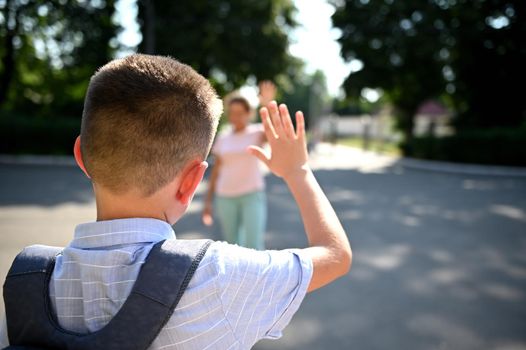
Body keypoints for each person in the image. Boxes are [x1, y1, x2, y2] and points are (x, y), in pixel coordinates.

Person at [0, 54, 352, 350]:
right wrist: (299, 170)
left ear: (82, 156)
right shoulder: (220, 275)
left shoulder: (27, 278)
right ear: (192, 181)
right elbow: (335, 255)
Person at [202, 83, 275, 250]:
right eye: (232, 113)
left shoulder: (256, 133)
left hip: (251, 195)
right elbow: (216, 170)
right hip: (225, 197)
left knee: (254, 245)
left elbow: (273, 131)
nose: (236, 117)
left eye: (240, 113)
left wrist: (268, 104)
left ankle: (257, 277)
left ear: (249, 113)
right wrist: (208, 200)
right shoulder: (223, 137)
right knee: (233, 246)